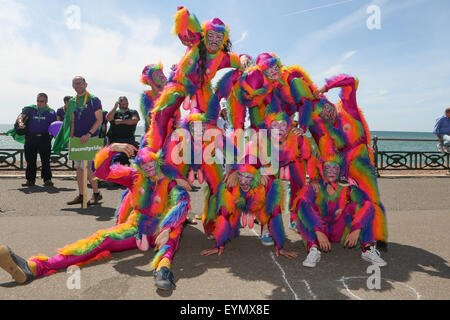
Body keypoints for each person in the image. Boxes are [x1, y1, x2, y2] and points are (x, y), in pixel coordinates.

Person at [0, 143, 190, 291]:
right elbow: (101, 172)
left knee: (172, 235)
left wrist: (166, 227)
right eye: (143, 164)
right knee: (101, 238)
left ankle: (163, 270)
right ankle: (35, 268)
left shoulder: (170, 180)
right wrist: (111, 149)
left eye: (151, 163)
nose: (148, 168)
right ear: (139, 166)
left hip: (161, 226)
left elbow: (182, 203)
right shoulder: (134, 177)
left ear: (157, 162)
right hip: (137, 226)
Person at [292, 156, 387, 268]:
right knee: (303, 204)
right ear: (322, 170)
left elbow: (368, 206)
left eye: (335, 168)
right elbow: (300, 206)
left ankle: (367, 248)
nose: (331, 171)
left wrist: (357, 228)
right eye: (327, 167)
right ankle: (313, 248)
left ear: (340, 170)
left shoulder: (348, 188)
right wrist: (318, 231)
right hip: (320, 232)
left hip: (341, 232)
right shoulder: (315, 187)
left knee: (361, 205)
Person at [66, 76, 104, 205]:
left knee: (87, 167)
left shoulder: (94, 100)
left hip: (90, 138)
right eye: (75, 83)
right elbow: (72, 121)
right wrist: (70, 139)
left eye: (80, 83)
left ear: (85, 84)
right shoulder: (72, 101)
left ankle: (96, 193)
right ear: (73, 86)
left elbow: (100, 120)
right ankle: (81, 195)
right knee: (79, 168)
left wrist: (89, 134)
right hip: (77, 138)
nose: (78, 85)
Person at [16, 93, 56, 187]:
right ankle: (30, 180)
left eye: (41, 101)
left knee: (45, 160)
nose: (39, 103)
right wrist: (20, 122)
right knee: (30, 160)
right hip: (31, 137)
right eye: (37, 100)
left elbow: (55, 125)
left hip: (44, 138)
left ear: (46, 102)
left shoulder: (51, 112)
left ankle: (47, 179)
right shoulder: (30, 109)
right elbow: (20, 116)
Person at [106, 96, 140, 164]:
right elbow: (108, 118)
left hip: (128, 140)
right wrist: (115, 107)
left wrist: (121, 121)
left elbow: (134, 120)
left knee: (123, 158)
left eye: (126, 104)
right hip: (115, 140)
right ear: (119, 104)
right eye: (122, 104)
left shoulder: (132, 112)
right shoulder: (115, 113)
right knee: (114, 159)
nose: (125, 106)